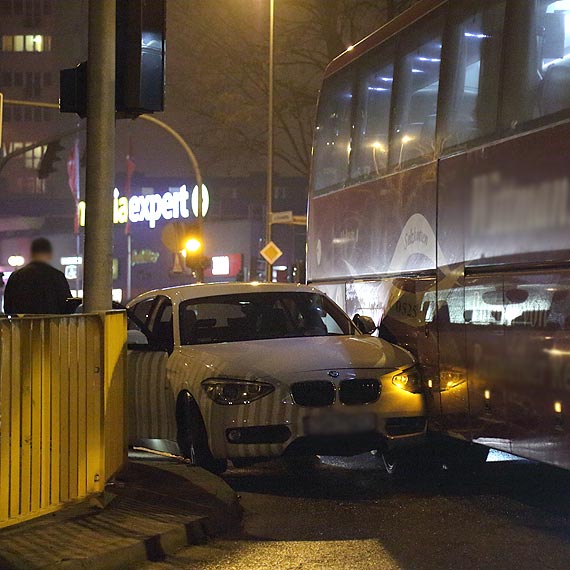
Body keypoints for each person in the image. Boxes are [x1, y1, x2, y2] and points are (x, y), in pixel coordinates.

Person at [3, 238, 72, 316]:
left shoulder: (16, 276)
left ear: (31, 254)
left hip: (22, 325)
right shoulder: (57, 276)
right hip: (52, 325)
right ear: (49, 254)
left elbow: (8, 307)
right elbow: (67, 306)